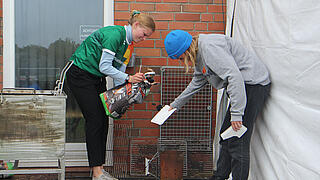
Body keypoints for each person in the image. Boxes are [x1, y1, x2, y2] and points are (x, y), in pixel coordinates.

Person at [164, 30, 271, 180]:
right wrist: (175, 105)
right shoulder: (199, 53)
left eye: (179, 58)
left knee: (237, 140)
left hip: (253, 85)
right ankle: (220, 176)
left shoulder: (209, 49)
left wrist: (236, 114)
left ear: (185, 50)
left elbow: (234, 77)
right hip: (242, 87)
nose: (181, 61)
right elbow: (198, 81)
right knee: (226, 136)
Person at [66, 10, 155, 180]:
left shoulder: (128, 45)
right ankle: (97, 172)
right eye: (144, 35)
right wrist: (129, 78)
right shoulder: (115, 35)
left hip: (95, 77)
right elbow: (105, 67)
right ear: (136, 25)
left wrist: (128, 92)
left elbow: (118, 73)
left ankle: (99, 170)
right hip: (79, 73)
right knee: (94, 120)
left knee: (104, 119)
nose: (144, 39)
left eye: (147, 37)